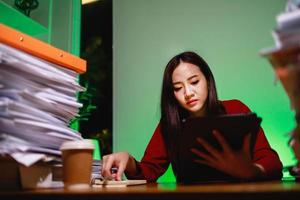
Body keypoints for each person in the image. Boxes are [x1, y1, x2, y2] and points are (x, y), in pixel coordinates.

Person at [102, 51, 283, 182]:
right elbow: (149, 170)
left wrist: (252, 171)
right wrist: (129, 160)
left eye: (194, 82)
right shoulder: (170, 123)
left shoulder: (235, 108)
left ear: (208, 81)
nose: (188, 93)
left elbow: (272, 161)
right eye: (178, 88)